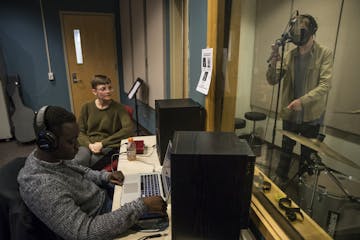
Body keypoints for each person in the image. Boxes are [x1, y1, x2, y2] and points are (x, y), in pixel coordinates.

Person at [17, 106, 167, 240]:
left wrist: (105, 176)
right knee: (170, 218)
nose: (77, 147)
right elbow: (85, 233)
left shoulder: (52, 157)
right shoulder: (41, 186)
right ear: (48, 142)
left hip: (105, 198)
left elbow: (82, 170)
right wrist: (140, 206)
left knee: (157, 188)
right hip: (100, 220)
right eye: (70, 142)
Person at [266, 14, 333, 182]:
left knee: (307, 159)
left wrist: (302, 101)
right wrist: (273, 60)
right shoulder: (289, 55)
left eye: (301, 30)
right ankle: (279, 185)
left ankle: (304, 192)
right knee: (285, 154)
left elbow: (325, 85)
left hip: (311, 116)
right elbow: (272, 80)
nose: (296, 34)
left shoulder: (324, 54)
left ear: (311, 32)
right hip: (290, 114)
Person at [75, 75, 134, 168]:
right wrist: (89, 145)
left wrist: (103, 143)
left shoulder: (119, 108)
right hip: (88, 144)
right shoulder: (86, 107)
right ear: (94, 92)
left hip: (108, 145)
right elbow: (79, 131)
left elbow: (128, 129)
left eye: (110, 88)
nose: (108, 91)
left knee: (94, 163)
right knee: (80, 161)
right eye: (103, 89)